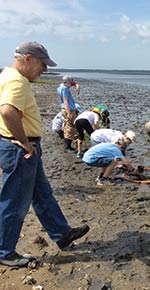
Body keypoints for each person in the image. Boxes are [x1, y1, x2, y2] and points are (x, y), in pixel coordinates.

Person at [0, 41, 89, 268]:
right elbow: (7, 111)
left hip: (20, 147)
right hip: (21, 149)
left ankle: (62, 233)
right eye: (42, 63)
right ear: (27, 58)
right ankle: (5, 252)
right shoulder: (17, 81)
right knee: (15, 201)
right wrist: (23, 142)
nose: (45, 70)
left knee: (42, 193)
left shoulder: (6, 75)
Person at [57, 75, 80, 151]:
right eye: (70, 84)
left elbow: (72, 83)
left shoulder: (61, 86)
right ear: (66, 82)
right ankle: (67, 147)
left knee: (67, 125)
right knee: (69, 128)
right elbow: (65, 100)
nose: (71, 85)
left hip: (65, 108)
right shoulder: (65, 89)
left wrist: (77, 85)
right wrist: (69, 112)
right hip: (68, 109)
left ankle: (68, 145)